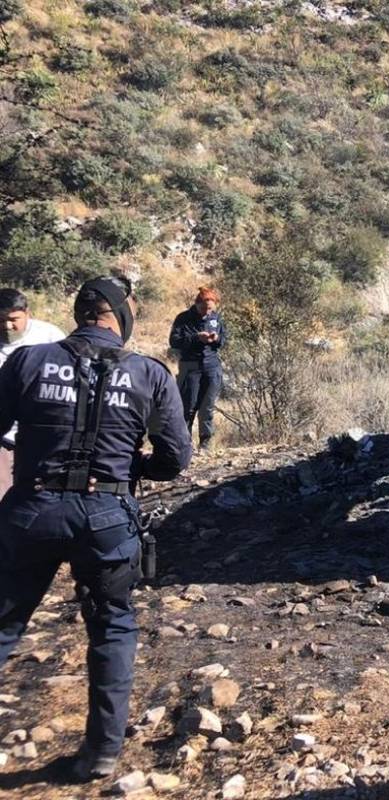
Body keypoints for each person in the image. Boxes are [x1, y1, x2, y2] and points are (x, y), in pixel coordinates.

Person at [0, 276, 191, 781]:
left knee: (3, 623)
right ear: (119, 316)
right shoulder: (149, 373)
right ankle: (102, 751)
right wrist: (131, 469)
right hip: (107, 515)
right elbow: (176, 459)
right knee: (111, 627)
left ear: (80, 312)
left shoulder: (27, 361)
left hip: (32, 510)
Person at [1, 289, 67, 499]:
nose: (7, 326)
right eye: (0, 320)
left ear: (27, 313)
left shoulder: (49, 337)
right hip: (4, 437)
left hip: (43, 437)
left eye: (13, 319)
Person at [169, 287, 226, 452]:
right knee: (188, 407)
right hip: (190, 367)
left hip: (211, 366)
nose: (206, 312)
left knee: (207, 407)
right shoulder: (183, 318)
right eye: (203, 308)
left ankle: (205, 444)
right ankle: (185, 445)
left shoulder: (216, 318)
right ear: (197, 304)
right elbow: (174, 341)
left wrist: (216, 339)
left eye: (210, 309)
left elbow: (224, 339)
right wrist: (196, 338)